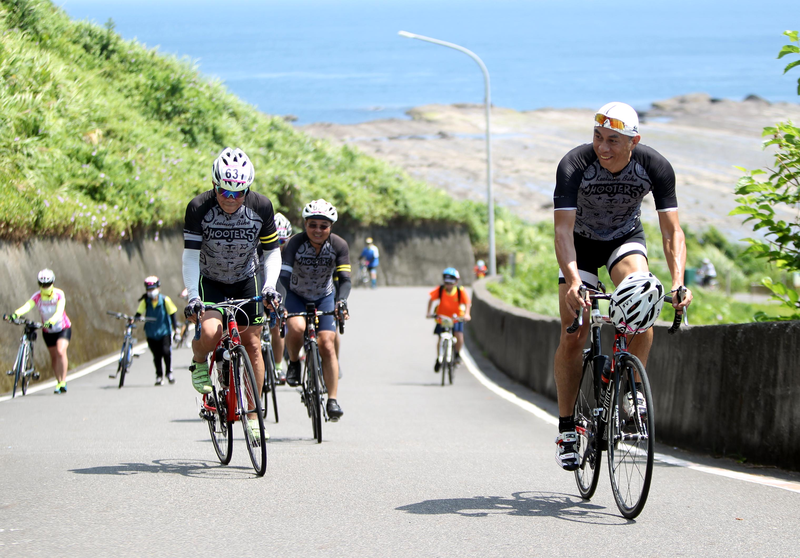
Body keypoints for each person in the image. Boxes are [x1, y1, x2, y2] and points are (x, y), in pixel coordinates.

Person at [552, 101, 693, 471]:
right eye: (598, 137)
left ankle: (630, 391)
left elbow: (672, 231)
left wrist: (678, 283)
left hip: (623, 239)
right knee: (574, 332)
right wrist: (570, 281)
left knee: (645, 298)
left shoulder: (654, 166)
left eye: (614, 140)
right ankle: (567, 428)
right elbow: (562, 230)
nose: (603, 147)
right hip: (579, 246)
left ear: (634, 141)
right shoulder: (574, 165)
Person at [182, 147, 282, 441]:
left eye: (239, 193)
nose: (231, 199)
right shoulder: (198, 207)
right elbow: (190, 256)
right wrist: (193, 297)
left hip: (245, 279)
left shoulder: (261, 206)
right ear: (215, 185)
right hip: (210, 279)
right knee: (212, 333)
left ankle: (252, 413)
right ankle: (200, 360)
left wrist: (269, 287)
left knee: (252, 344)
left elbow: (272, 252)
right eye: (225, 192)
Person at [280, 199, 350, 421]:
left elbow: (345, 279)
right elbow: (283, 276)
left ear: (331, 226)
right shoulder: (294, 243)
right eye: (312, 225)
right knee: (297, 327)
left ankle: (332, 400)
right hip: (296, 295)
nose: (318, 230)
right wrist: (281, 303)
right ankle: (293, 363)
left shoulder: (339, 245)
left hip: (324, 296)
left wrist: (342, 302)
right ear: (305, 224)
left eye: (323, 226)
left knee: (327, 343)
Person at [8, 269, 72, 394]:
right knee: (54, 357)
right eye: (43, 285)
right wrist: (15, 314)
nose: (45, 287)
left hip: (62, 328)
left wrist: (52, 321)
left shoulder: (59, 294)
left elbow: (59, 311)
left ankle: (63, 381)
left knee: (60, 351)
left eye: (47, 284)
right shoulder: (37, 296)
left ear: (52, 282)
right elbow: (27, 306)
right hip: (47, 331)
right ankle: (58, 382)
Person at [134, 276, 179, 386]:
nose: (151, 292)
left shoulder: (165, 300)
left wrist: (176, 329)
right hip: (151, 333)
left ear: (158, 288)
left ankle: (169, 373)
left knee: (166, 352)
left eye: (153, 289)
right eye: (149, 290)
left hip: (164, 332)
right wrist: (133, 320)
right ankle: (159, 375)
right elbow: (138, 313)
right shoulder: (145, 301)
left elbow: (172, 313)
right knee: (156, 355)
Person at [426, 267, 471, 370]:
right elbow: (431, 299)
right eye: (447, 283)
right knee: (440, 338)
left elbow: (467, 302)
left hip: (456, 318)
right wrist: (429, 313)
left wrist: (467, 314)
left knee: (459, 335)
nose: (449, 285)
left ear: (456, 282)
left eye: (451, 283)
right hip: (442, 319)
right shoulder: (440, 290)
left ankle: (457, 354)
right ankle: (439, 358)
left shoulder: (460, 291)